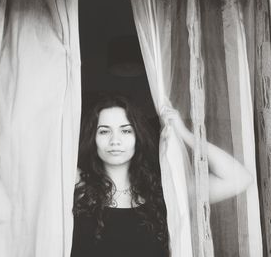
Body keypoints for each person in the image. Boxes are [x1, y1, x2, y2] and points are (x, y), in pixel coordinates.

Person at [70, 95, 253, 257]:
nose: (115, 140)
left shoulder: (163, 192)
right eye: (104, 131)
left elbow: (239, 179)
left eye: (126, 130)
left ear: (138, 137)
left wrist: (185, 134)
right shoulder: (76, 185)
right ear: (92, 138)